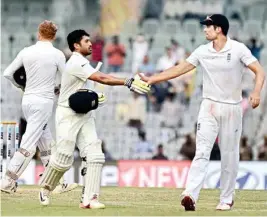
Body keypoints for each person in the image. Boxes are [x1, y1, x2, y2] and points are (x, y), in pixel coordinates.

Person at [139, 14, 265, 211]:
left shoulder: (238, 49)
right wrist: (153, 79)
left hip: (232, 107)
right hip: (208, 106)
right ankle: (190, 194)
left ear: (219, 29)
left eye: (208, 26)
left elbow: (259, 70)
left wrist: (256, 92)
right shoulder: (202, 51)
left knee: (229, 154)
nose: (204, 30)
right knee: (202, 151)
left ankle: (226, 198)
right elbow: (180, 68)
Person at [38, 29, 150, 208]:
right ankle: (45, 187)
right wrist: (127, 81)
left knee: (95, 155)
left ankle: (90, 199)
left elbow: (84, 89)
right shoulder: (75, 62)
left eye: (90, 41)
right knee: (64, 157)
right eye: (86, 41)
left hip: (85, 114)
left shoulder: (84, 63)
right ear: (76, 45)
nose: (91, 44)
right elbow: (101, 77)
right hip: (67, 114)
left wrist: (95, 98)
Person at [1, 20, 76, 194]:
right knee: (28, 144)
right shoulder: (57, 54)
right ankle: (8, 181)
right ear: (54, 36)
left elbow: (7, 74)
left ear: (39, 33)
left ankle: (56, 183)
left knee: (47, 144)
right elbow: (65, 78)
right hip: (43, 102)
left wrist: (21, 86)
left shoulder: (27, 51)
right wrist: (57, 88)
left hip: (27, 101)